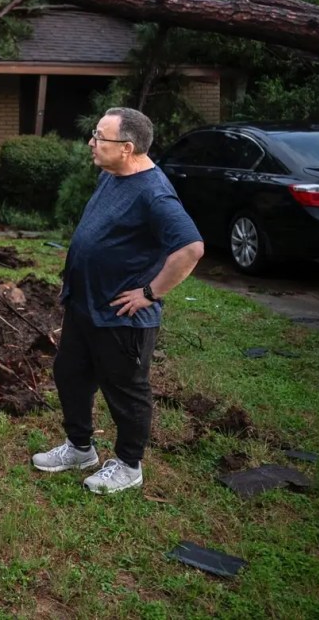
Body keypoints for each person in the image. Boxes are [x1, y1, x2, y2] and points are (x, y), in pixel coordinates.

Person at [32, 107, 204, 494]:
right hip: (85, 305)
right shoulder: (113, 174)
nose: (91, 143)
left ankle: (129, 464)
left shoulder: (154, 194)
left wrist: (150, 292)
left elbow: (191, 248)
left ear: (126, 148)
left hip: (121, 316)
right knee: (70, 375)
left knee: (126, 392)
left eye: (99, 138)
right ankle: (79, 448)